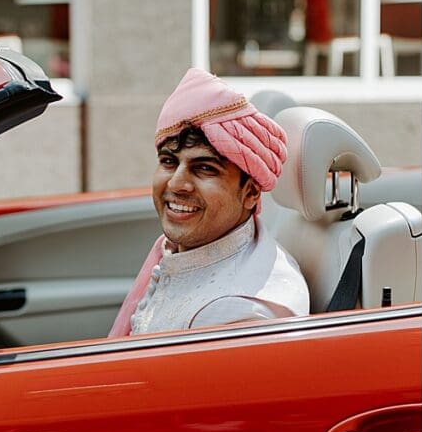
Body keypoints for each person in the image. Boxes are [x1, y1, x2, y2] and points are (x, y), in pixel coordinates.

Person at [109, 68, 309, 336]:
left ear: (250, 193)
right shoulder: (180, 250)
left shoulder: (236, 314)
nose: (176, 184)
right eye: (169, 162)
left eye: (204, 168)